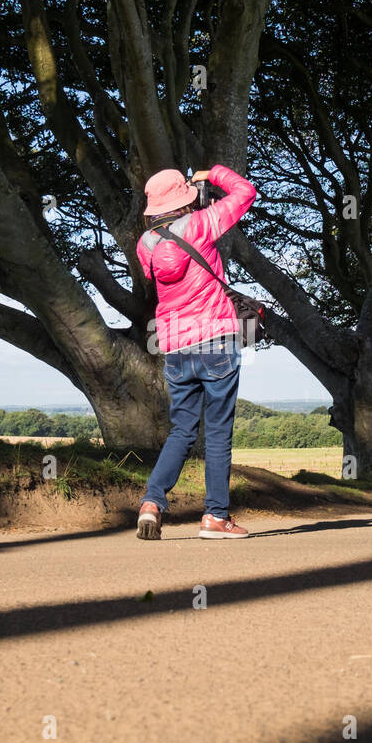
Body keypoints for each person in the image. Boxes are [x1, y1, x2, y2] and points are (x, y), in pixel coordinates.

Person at [135, 165, 257, 540]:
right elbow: (246, 193)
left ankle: (152, 502)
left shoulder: (145, 244)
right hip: (215, 339)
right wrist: (214, 173)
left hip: (173, 345)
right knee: (218, 432)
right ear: (186, 198)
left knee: (182, 430)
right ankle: (215, 517)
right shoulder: (202, 224)